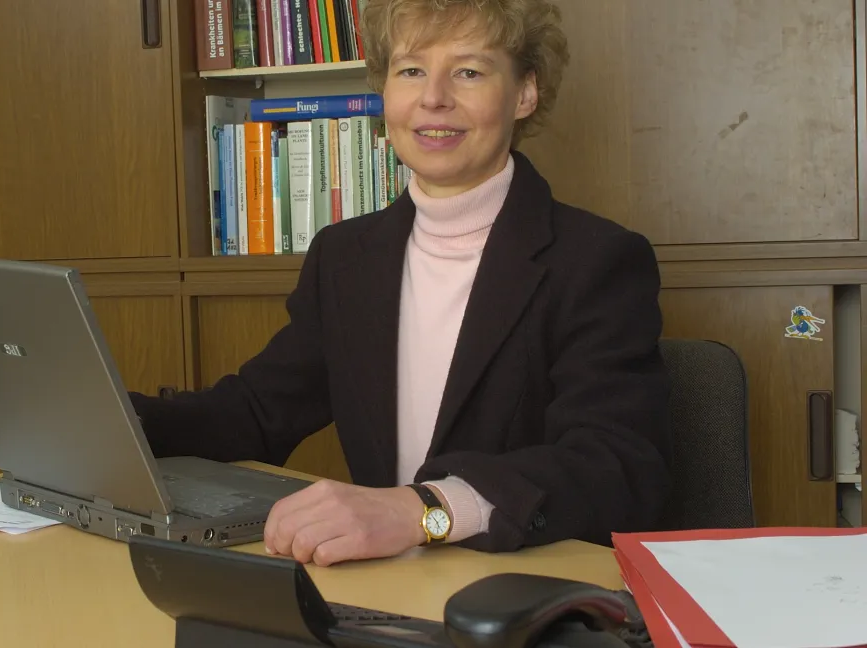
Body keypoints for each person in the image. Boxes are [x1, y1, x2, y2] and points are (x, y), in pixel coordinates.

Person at [128, 0, 670, 567]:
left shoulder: (597, 260)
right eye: (411, 70)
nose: (433, 97)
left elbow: (618, 467)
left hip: (525, 593)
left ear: (525, 93)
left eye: (468, 71)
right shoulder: (344, 257)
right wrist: (110, 421)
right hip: (385, 590)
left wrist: (423, 511)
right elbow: (256, 414)